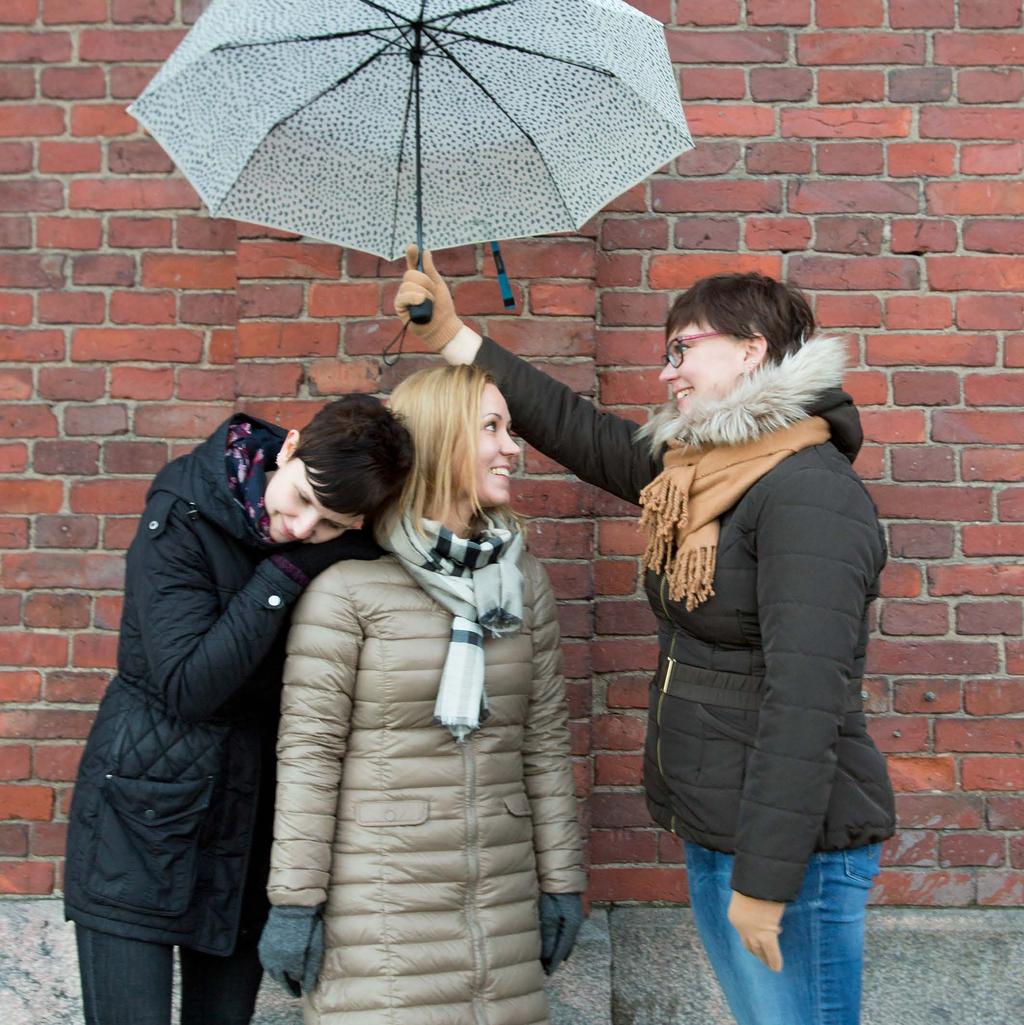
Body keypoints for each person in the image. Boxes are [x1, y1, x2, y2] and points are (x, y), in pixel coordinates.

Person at [395, 248, 896, 1025]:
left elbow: (806, 702)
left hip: (792, 853)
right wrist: (455, 337)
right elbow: (582, 431)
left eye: (682, 349)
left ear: (752, 349)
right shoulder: (704, 470)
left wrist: (765, 881)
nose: (668, 373)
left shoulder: (805, 494)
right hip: (722, 824)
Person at [64, 396, 413, 1025]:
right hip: (138, 821)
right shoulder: (182, 511)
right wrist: (287, 571)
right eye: (303, 500)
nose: (304, 528)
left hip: (247, 826)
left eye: (333, 524)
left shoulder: (341, 543)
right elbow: (187, 687)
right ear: (288, 449)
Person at [257, 364, 586, 1025]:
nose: (511, 447)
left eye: (510, 428)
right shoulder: (347, 588)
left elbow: (546, 743)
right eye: (490, 428)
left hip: (500, 917)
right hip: (380, 921)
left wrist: (562, 881)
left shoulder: (520, 580)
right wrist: (294, 904)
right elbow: (309, 755)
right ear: (440, 441)